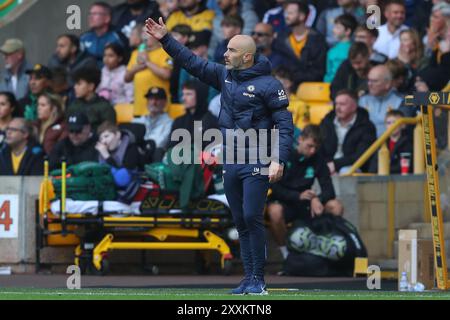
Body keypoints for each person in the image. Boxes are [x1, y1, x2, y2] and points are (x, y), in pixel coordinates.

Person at [146, 15, 294, 295]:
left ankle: (259, 279)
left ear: (247, 57)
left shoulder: (270, 85)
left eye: (232, 51)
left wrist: (278, 159)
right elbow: (191, 61)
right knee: (239, 220)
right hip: (231, 159)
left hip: (257, 158)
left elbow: (285, 126)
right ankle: (248, 277)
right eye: (226, 49)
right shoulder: (223, 75)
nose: (224, 54)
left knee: (252, 216)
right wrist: (166, 39)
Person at [267, 125, 343, 260]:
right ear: (300, 139)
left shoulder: (318, 159)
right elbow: (275, 188)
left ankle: (329, 250)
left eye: (316, 147)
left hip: (306, 204)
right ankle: (287, 254)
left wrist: (315, 198)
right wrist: (298, 196)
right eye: (310, 146)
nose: (313, 151)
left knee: (335, 206)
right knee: (274, 211)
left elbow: (329, 190)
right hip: (285, 202)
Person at [272, 0, 327, 88]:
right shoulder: (281, 38)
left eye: (290, 13)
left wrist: (293, 78)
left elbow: (319, 71)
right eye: (286, 13)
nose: (286, 16)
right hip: (284, 88)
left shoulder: (317, 39)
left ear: (302, 16)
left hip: (309, 88)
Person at [320, 89, 376, 174]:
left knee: (345, 171)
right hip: (327, 165)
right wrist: (326, 165)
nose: (337, 108)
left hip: (352, 167)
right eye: (336, 104)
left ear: (354, 106)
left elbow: (361, 155)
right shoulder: (326, 122)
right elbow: (319, 148)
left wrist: (335, 164)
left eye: (342, 104)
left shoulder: (367, 127)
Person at [125, 27, 173, 116]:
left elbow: (166, 75)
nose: (144, 36)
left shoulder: (165, 52)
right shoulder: (136, 53)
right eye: (143, 32)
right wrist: (137, 68)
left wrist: (147, 62)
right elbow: (126, 78)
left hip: (159, 109)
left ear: (156, 35)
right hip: (139, 109)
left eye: (147, 32)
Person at [358, 64, 411, 137]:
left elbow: (429, 99)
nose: (369, 84)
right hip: (365, 145)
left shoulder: (403, 99)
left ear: (388, 84)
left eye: (375, 81)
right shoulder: (362, 99)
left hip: (390, 146)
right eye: (369, 80)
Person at [168, 80, 218, 150]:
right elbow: (170, 149)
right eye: (183, 94)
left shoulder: (211, 122)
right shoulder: (179, 121)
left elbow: (212, 153)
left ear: (200, 95)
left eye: (188, 94)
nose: (183, 98)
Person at [66, 66, 116, 132]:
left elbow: (109, 133)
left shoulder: (105, 108)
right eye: (75, 84)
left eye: (79, 84)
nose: (75, 87)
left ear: (91, 86)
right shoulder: (73, 106)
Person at [80, 2, 128, 67]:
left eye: (95, 14)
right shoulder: (84, 37)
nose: (90, 17)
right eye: (90, 14)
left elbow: (125, 61)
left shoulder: (118, 37)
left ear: (107, 18)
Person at [369, 109, 413, 174]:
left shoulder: (408, 143)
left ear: (403, 125)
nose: (392, 126)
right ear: (385, 125)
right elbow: (373, 166)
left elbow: (404, 168)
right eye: (389, 123)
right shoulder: (382, 142)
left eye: (395, 122)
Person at [323, 13, 358, 83]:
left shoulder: (354, 49)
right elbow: (329, 72)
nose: (333, 30)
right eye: (334, 27)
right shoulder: (332, 50)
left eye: (337, 27)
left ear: (347, 31)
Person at [169, 24, 193, 103]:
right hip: (173, 96)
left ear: (185, 38)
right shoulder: (173, 52)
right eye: (171, 35)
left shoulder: (189, 55)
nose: (172, 38)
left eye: (175, 35)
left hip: (183, 97)